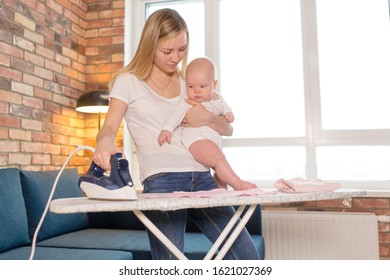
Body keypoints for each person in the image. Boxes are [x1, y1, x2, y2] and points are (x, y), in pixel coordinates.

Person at [92, 8, 260, 260]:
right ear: (150, 45)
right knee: (170, 266)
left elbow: (228, 128)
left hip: (202, 177)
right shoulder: (128, 81)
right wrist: (104, 144)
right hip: (162, 181)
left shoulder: (188, 83)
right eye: (167, 51)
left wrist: (208, 118)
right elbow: (108, 128)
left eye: (181, 49)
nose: (176, 58)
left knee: (246, 258)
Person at [158, 57, 256, 191]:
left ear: (214, 84)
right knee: (218, 159)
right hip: (196, 141)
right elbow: (174, 116)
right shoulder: (187, 102)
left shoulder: (218, 100)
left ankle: (220, 186)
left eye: (202, 86)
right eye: (191, 86)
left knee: (219, 165)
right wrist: (167, 130)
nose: (196, 91)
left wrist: (229, 114)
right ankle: (237, 183)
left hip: (212, 142)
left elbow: (226, 110)